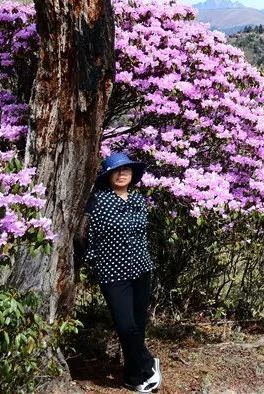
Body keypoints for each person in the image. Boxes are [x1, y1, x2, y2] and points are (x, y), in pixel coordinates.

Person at [82, 152, 162, 392]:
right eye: (115, 170)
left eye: (125, 169)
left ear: (132, 174)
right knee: (125, 326)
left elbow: (143, 234)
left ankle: (133, 377)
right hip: (112, 272)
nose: (121, 174)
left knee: (138, 324)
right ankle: (148, 365)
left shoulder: (139, 201)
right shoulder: (98, 201)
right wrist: (94, 262)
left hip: (140, 268)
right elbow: (86, 237)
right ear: (108, 176)